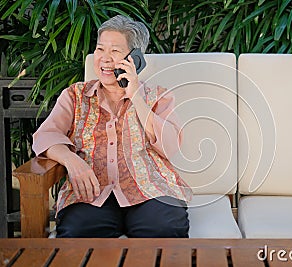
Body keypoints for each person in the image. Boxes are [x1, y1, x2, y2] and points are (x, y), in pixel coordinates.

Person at [32, 15, 192, 238]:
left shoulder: (157, 96)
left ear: (134, 59)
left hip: (150, 192)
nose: (105, 59)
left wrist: (135, 95)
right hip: (91, 192)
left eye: (115, 51)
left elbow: (170, 145)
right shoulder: (75, 95)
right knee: (77, 232)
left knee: (164, 229)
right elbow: (46, 136)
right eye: (100, 49)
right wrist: (72, 161)